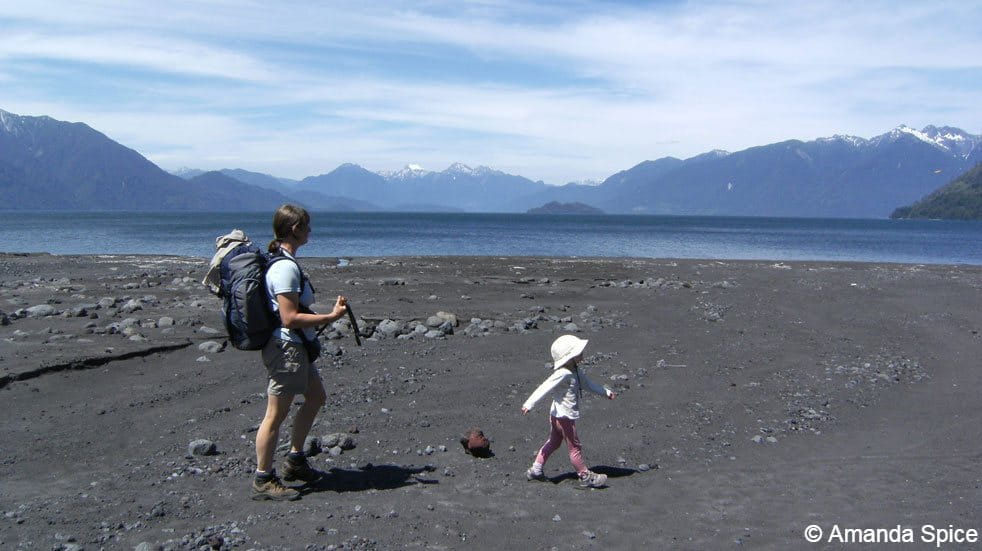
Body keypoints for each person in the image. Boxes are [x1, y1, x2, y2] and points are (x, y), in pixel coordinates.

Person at [252, 204, 348, 501]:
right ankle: (263, 478)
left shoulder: (284, 262)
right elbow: (289, 317)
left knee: (316, 397)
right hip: (287, 348)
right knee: (275, 415)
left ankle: (295, 460)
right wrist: (329, 318)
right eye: (307, 226)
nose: (310, 231)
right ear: (295, 229)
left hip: (296, 348)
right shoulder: (284, 267)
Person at [521, 335, 617, 489]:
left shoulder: (575, 371)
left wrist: (605, 392)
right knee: (574, 447)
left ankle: (536, 470)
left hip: (557, 415)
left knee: (554, 442)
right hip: (564, 417)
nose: (582, 355)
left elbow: (588, 385)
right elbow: (545, 387)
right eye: (579, 352)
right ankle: (585, 475)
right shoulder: (563, 373)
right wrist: (529, 403)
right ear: (570, 356)